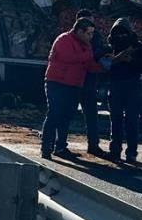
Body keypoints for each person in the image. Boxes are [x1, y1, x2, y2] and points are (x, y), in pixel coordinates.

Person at [41, 18, 102, 160]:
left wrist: (103, 65)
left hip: (74, 84)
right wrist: (92, 56)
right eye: (89, 33)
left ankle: (60, 146)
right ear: (80, 31)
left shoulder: (86, 45)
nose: (90, 37)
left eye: (92, 34)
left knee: (66, 116)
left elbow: (88, 64)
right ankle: (46, 147)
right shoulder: (64, 39)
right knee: (54, 114)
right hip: (57, 83)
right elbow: (68, 57)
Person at [106, 18, 142, 163]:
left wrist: (130, 61)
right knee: (117, 120)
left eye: (123, 33)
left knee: (130, 120)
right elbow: (102, 66)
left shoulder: (138, 47)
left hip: (131, 86)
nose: (120, 37)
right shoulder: (110, 46)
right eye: (118, 34)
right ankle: (116, 151)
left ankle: (130, 152)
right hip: (117, 85)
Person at [75, 9, 108, 155]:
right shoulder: (94, 36)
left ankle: (58, 144)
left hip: (80, 80)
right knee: (90, 114)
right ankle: (93, 145)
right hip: (85, 79)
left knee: (66, 113)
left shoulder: (71, 37)